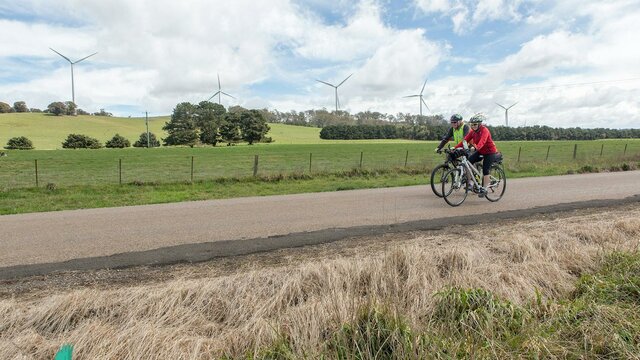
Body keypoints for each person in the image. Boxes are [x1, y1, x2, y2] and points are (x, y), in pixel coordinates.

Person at [455, 113, 500, 197]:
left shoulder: (484, 130)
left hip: (490, 152)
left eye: (475, 124)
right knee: (468, 162)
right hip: (481, 151)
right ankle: (470, 183)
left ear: (479, 124)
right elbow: (464, 141)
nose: (473, 126)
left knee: (485, 170)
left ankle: (485, 189)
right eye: (472, 125)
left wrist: (475, 148)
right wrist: (455, 148)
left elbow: (482, 141)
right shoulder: (473, 132)